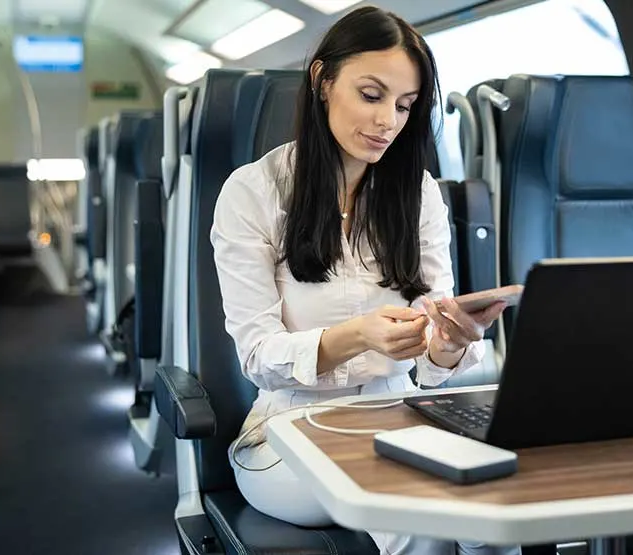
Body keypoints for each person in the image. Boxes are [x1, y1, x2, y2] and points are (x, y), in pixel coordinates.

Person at [210, 6, 518, 555]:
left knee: (494, 508)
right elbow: (256, 356)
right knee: (419, 513)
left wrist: (446, 345)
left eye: (404, 106)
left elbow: (430, 373)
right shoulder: (253, 191)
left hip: (402, 417)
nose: (388, 123)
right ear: (322, 80)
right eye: (371, 96)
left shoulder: (418, 193)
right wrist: (359, 336)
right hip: (289, 430)